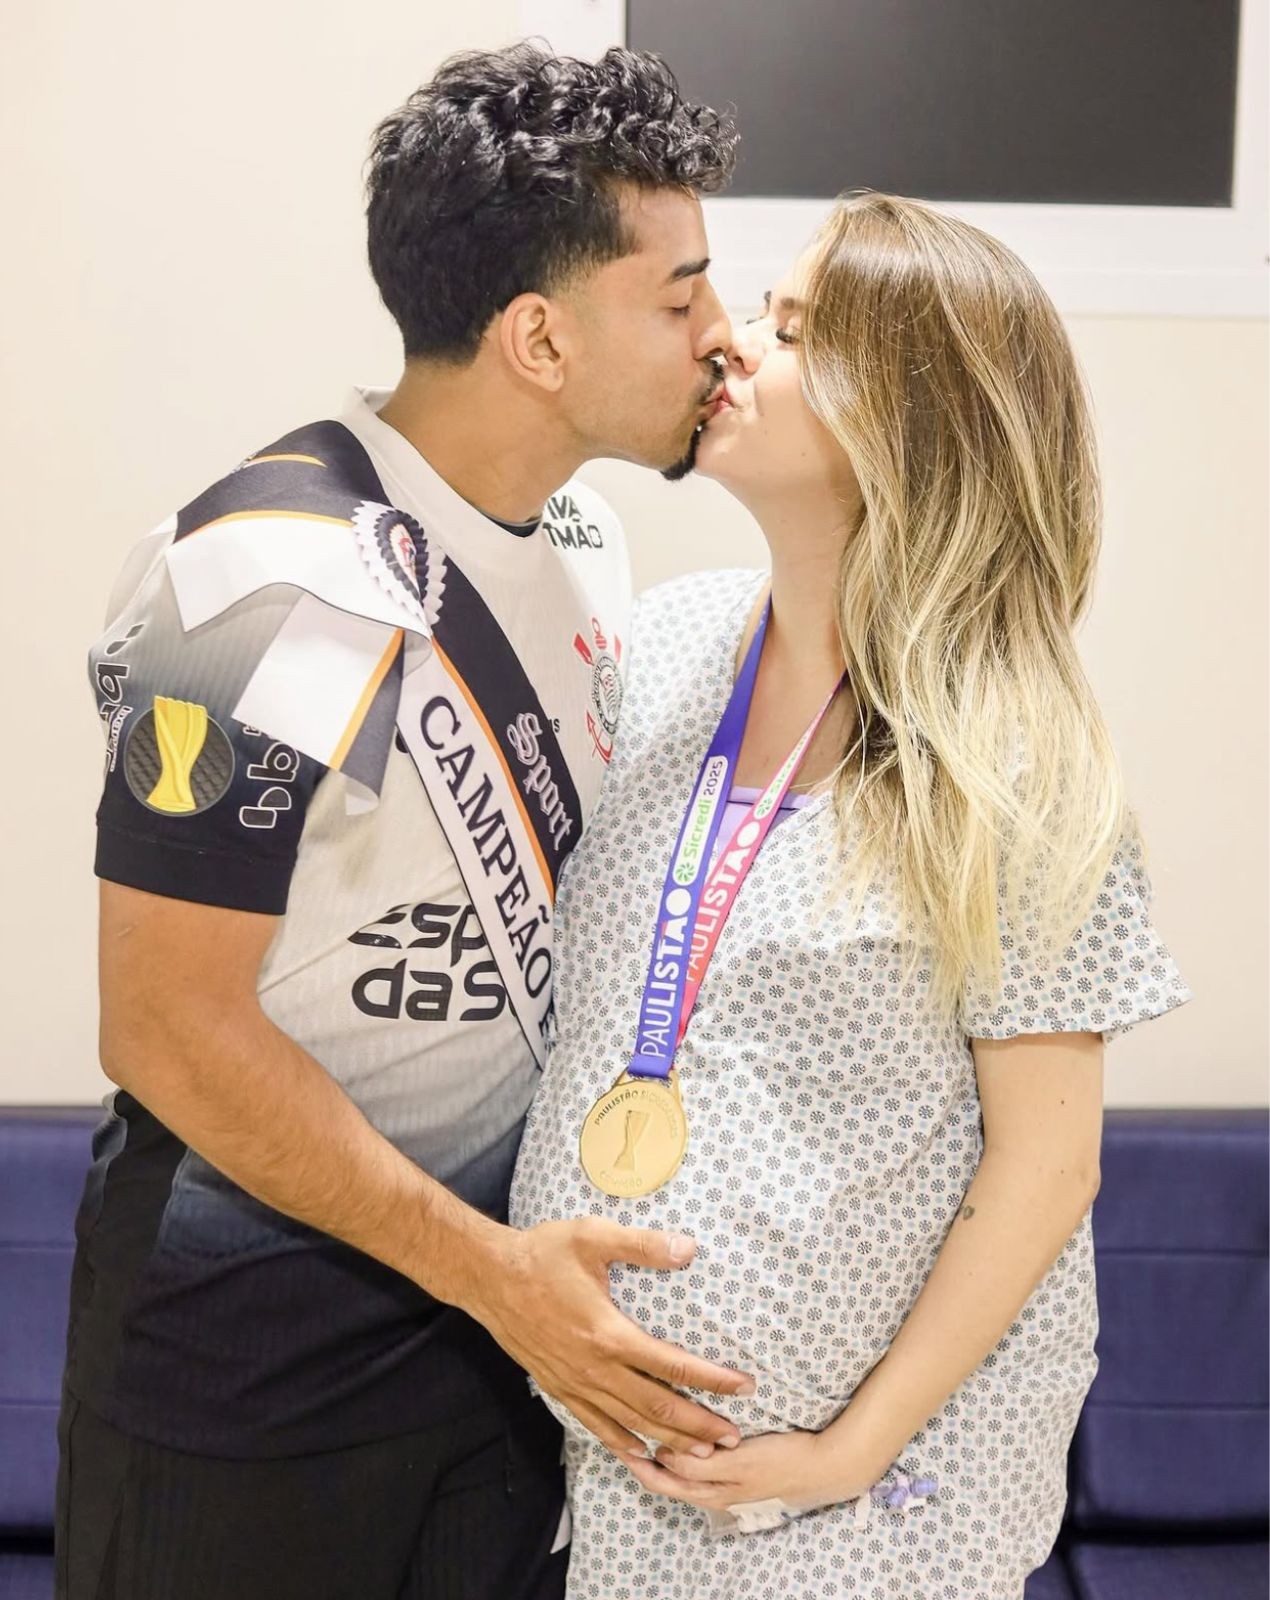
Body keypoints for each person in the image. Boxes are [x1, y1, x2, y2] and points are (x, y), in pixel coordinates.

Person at [60, 43, 755, 1600]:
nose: (726, 335)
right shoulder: (271, 577)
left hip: (495, 1348)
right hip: (252, 1361)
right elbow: (164, 1026)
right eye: (681, 294)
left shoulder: (580, 532)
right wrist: (498, 1280)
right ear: (536, 338)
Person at [510, 191, 1193, 1599]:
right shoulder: (667, 644)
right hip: (616, 1483)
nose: (731, 346)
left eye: (791, 326)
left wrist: (846, 1449)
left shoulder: (1011, 757)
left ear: (903, 414)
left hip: (876, 1513)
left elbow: (1045, 1165)